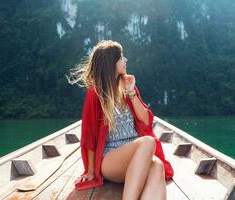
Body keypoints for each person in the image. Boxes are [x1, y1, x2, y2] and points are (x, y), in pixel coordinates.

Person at [66, 40, 173, 200]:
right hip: (110, 159)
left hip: (138, 154)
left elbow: (146, 121)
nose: (125, 60)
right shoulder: (95, 93)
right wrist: (90, 171)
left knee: (157, 166)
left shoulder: (128, 86)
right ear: (111, 63)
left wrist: (131, 92)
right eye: (121, 57)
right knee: (148, 142)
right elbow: (89, 134)